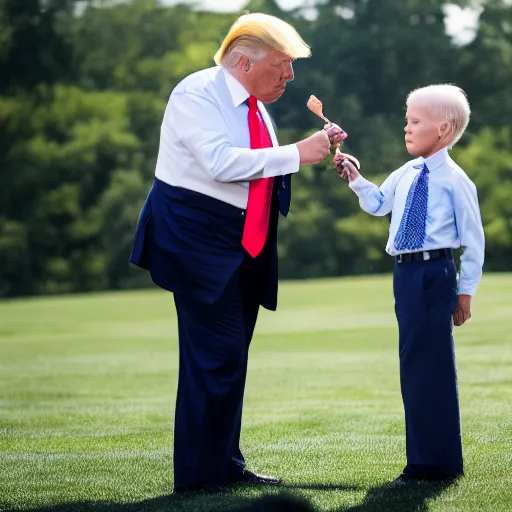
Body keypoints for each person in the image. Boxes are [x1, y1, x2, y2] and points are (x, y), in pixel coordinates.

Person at [129, 13, 346, 492]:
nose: (290, 77)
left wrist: (318, 151)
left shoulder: (254, 104)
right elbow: (222, 163)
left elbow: (259, 171)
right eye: (283, 66)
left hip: (244, 245)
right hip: (198, 244)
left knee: (228, 358)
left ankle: (223, 465)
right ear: (244, 62)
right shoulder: (196, 94)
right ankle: (200, 476)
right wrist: (299, 152)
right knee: (218, 356)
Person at [335, 84, 485, 484]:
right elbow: (378, 204)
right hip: (405, 274)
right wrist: (356, 178)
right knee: (414, 364)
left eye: (415, 121)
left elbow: (474, 241)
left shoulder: (455, 180)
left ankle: (432, 465)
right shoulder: (406, 172)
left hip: (435, 273)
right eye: (407, 120)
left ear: (444, 128)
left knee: (428, 367)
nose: (406, 127)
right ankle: (429, 461)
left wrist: (465, 291)